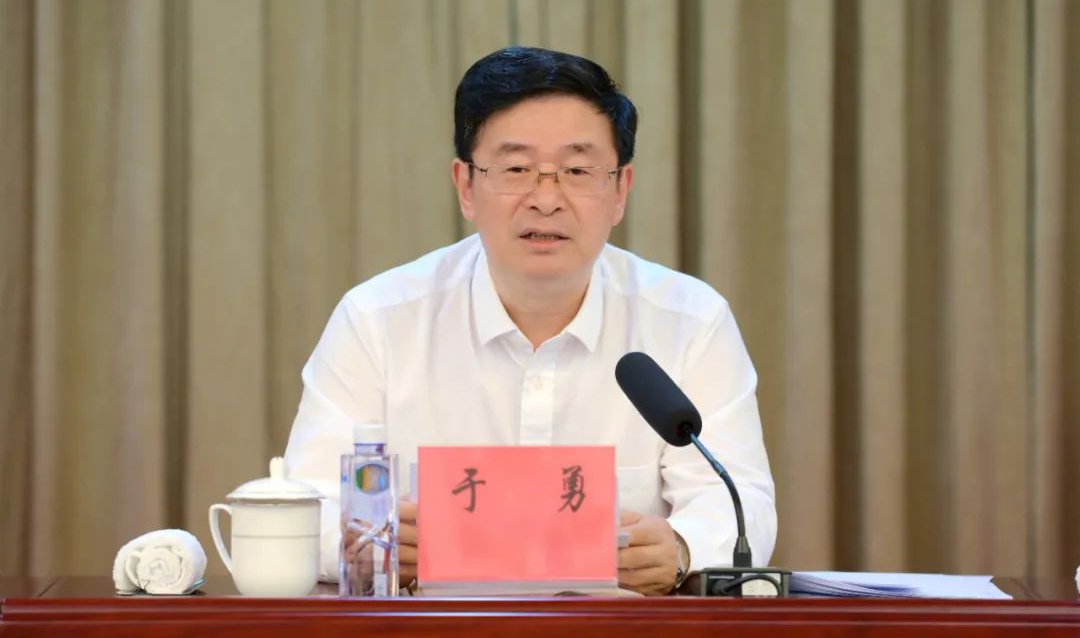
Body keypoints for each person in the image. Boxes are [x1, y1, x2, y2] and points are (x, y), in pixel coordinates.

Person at [284, 46, 776, 596]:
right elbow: (307, 506)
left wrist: (682, 548)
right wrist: (370, 540)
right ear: (466, 186)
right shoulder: (377, 321)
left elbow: (739, 503)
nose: (546, 199)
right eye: (517, 169)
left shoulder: (691, 321)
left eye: (577, 170)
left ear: (620, 190)